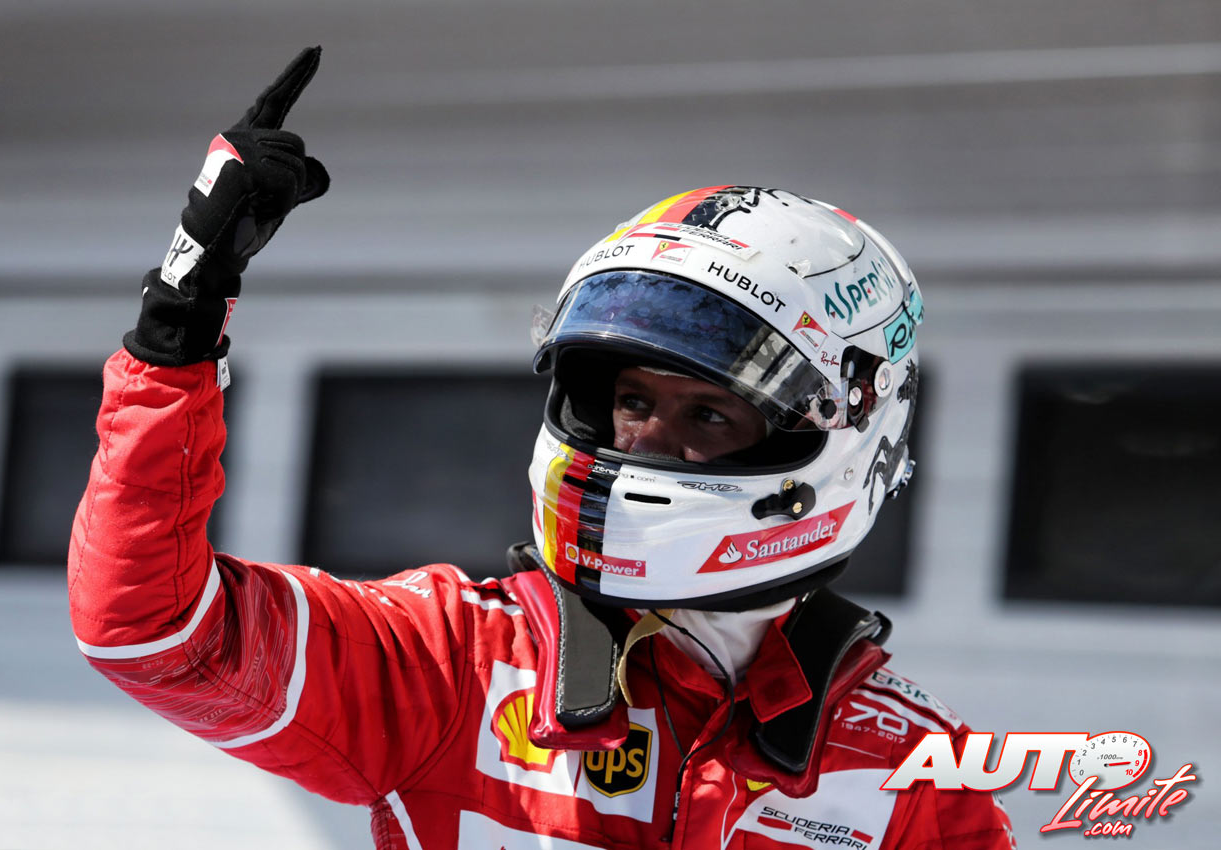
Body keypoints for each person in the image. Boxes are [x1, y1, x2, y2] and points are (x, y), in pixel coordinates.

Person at [68, 48, 1016, 849]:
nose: (646, 440)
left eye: (708, 416)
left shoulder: (913, 772)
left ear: (841, 445)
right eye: (631, 401)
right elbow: (150, 629)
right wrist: (179, 326)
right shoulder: (460, 663)